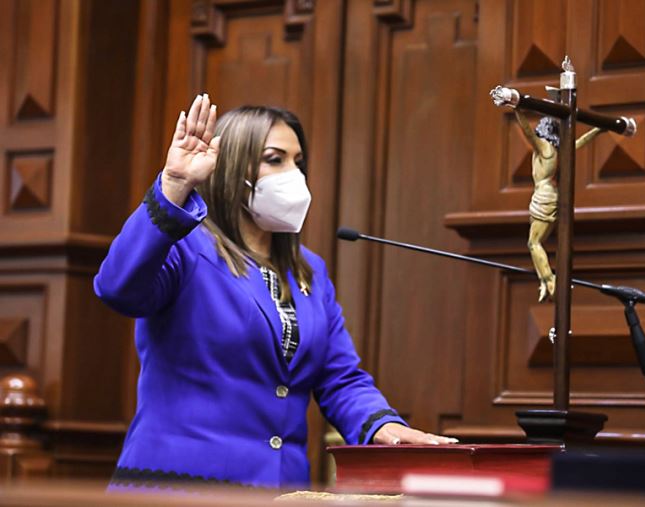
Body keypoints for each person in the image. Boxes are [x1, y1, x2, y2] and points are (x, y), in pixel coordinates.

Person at [94, 94, 457, 490]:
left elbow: (340, 377)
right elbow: (116, 286)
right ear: (233, 168)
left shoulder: (309, 270)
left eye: (298, 162)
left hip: (278, 490)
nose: (293, 174)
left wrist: (383, 426)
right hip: (180, 486)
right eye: (275, 159)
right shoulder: (183, 246)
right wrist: (174, 188)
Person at [513, 110, 602, 302]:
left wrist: (517, 109)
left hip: (543, 197)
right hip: (554, 196)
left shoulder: (545, 148)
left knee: (534, 243)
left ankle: (550, 281)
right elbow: (581, 141)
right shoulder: (562, 150)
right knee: (536, 241)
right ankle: (544, 282)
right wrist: (598, 130)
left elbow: (527, 131)